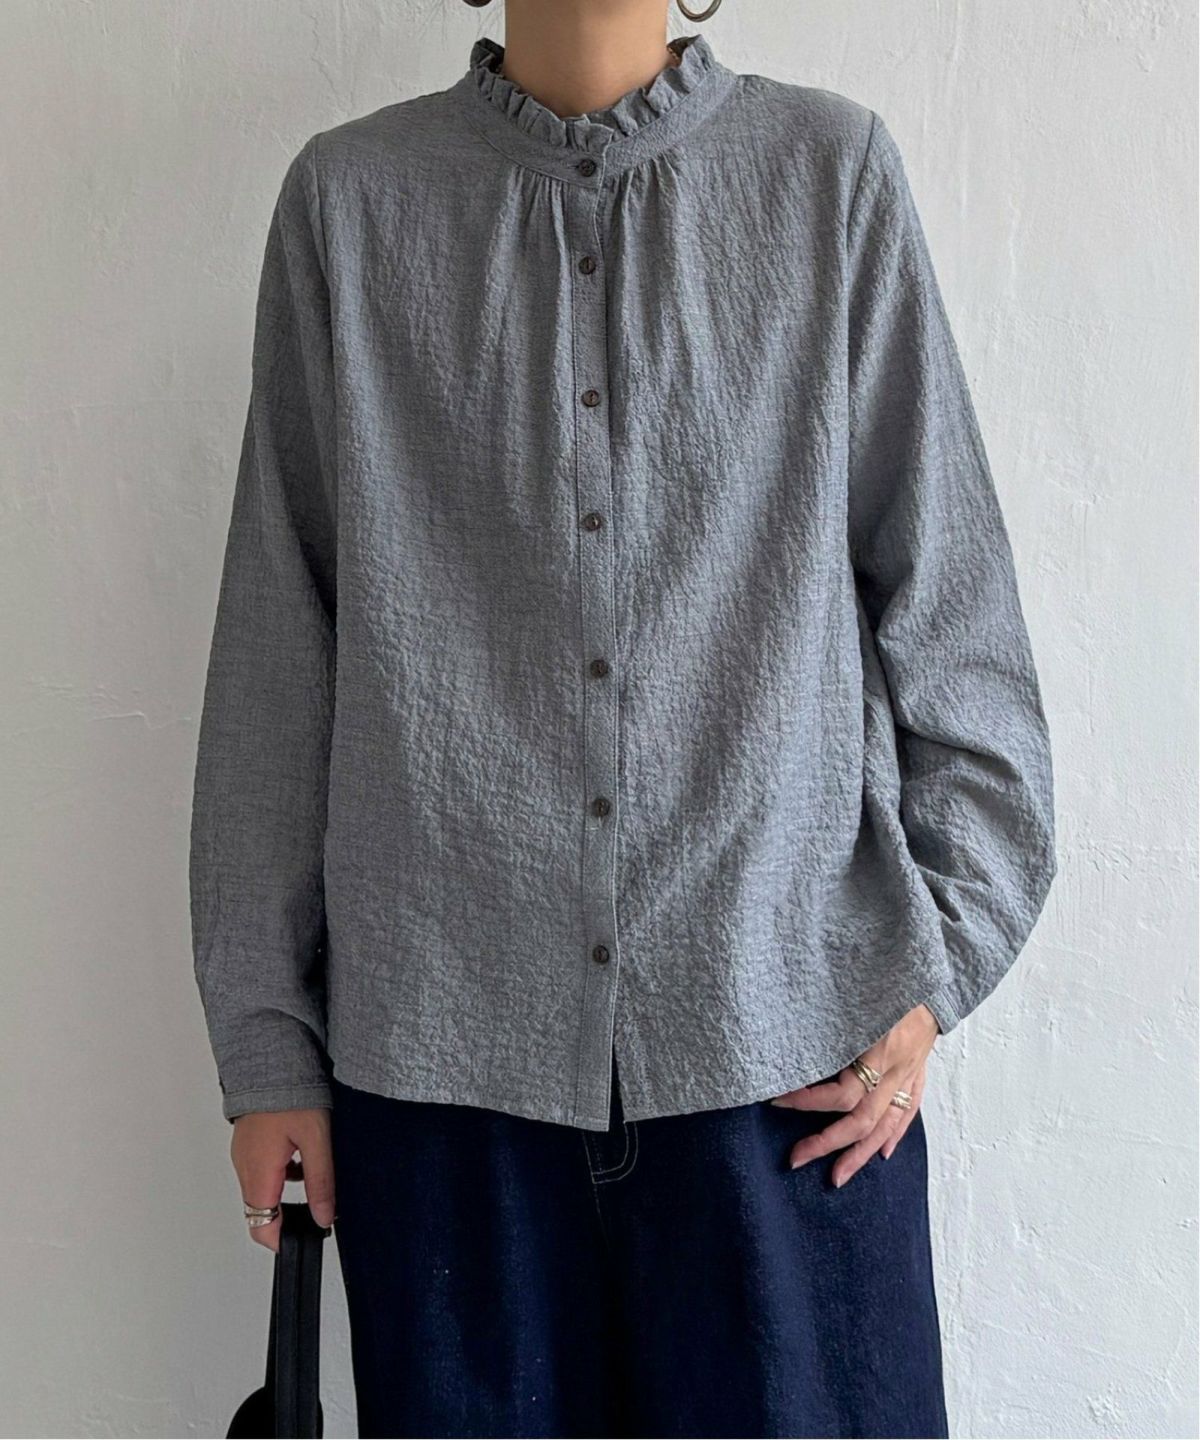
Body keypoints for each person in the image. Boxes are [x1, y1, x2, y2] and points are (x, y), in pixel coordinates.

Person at [188, 1, 1057, 1435]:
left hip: (789, 1080)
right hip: (444, 1091)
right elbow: (282, 641)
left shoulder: (829, 176)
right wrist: (269, 1040)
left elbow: (955, 609)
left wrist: (936, 964)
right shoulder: (350, 204)